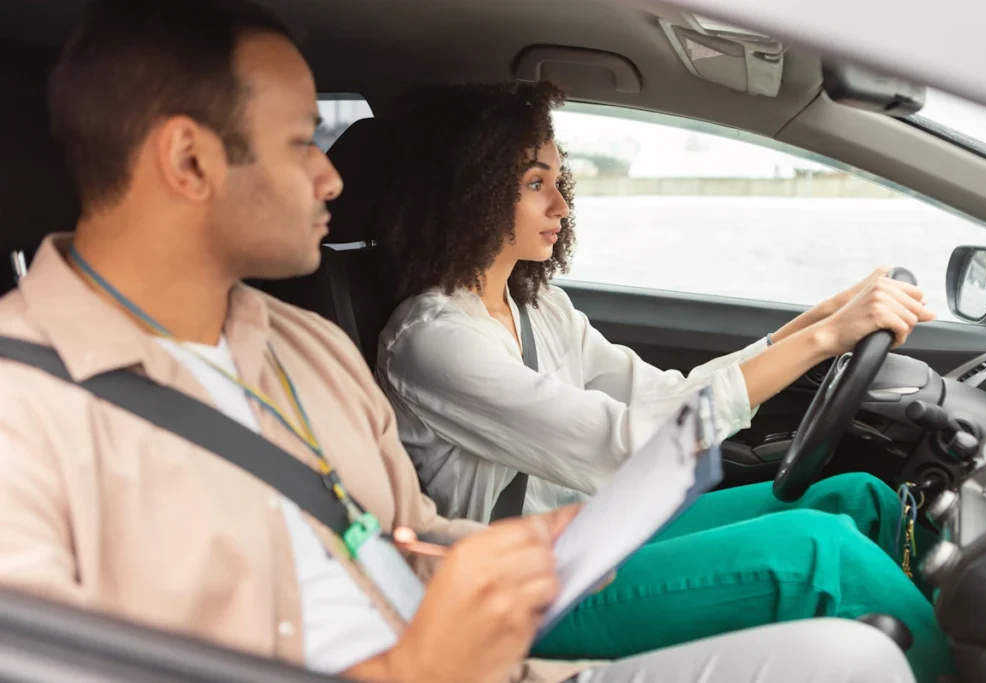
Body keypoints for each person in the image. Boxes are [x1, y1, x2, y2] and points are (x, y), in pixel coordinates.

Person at [0, 1, 918, 683]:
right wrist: (416, 666)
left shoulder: (307, 348)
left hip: (505, 657)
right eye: (301, 142)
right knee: (828, 580)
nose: (333, 177)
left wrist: (552, 546)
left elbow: (413, 531)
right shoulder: (25, 410)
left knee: (857, 656)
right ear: (189, 159)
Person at [374, 82, 951, 683]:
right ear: (474, 191)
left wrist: (815, 323)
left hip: (594, 536)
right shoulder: (435, 342)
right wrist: (824, 340)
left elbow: (663, 395)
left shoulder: (539, 306)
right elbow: (627, 445)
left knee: (859, 499)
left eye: (558, 180)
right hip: (526, 590)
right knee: (818, 555)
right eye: (535, 184)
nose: (562, 206)